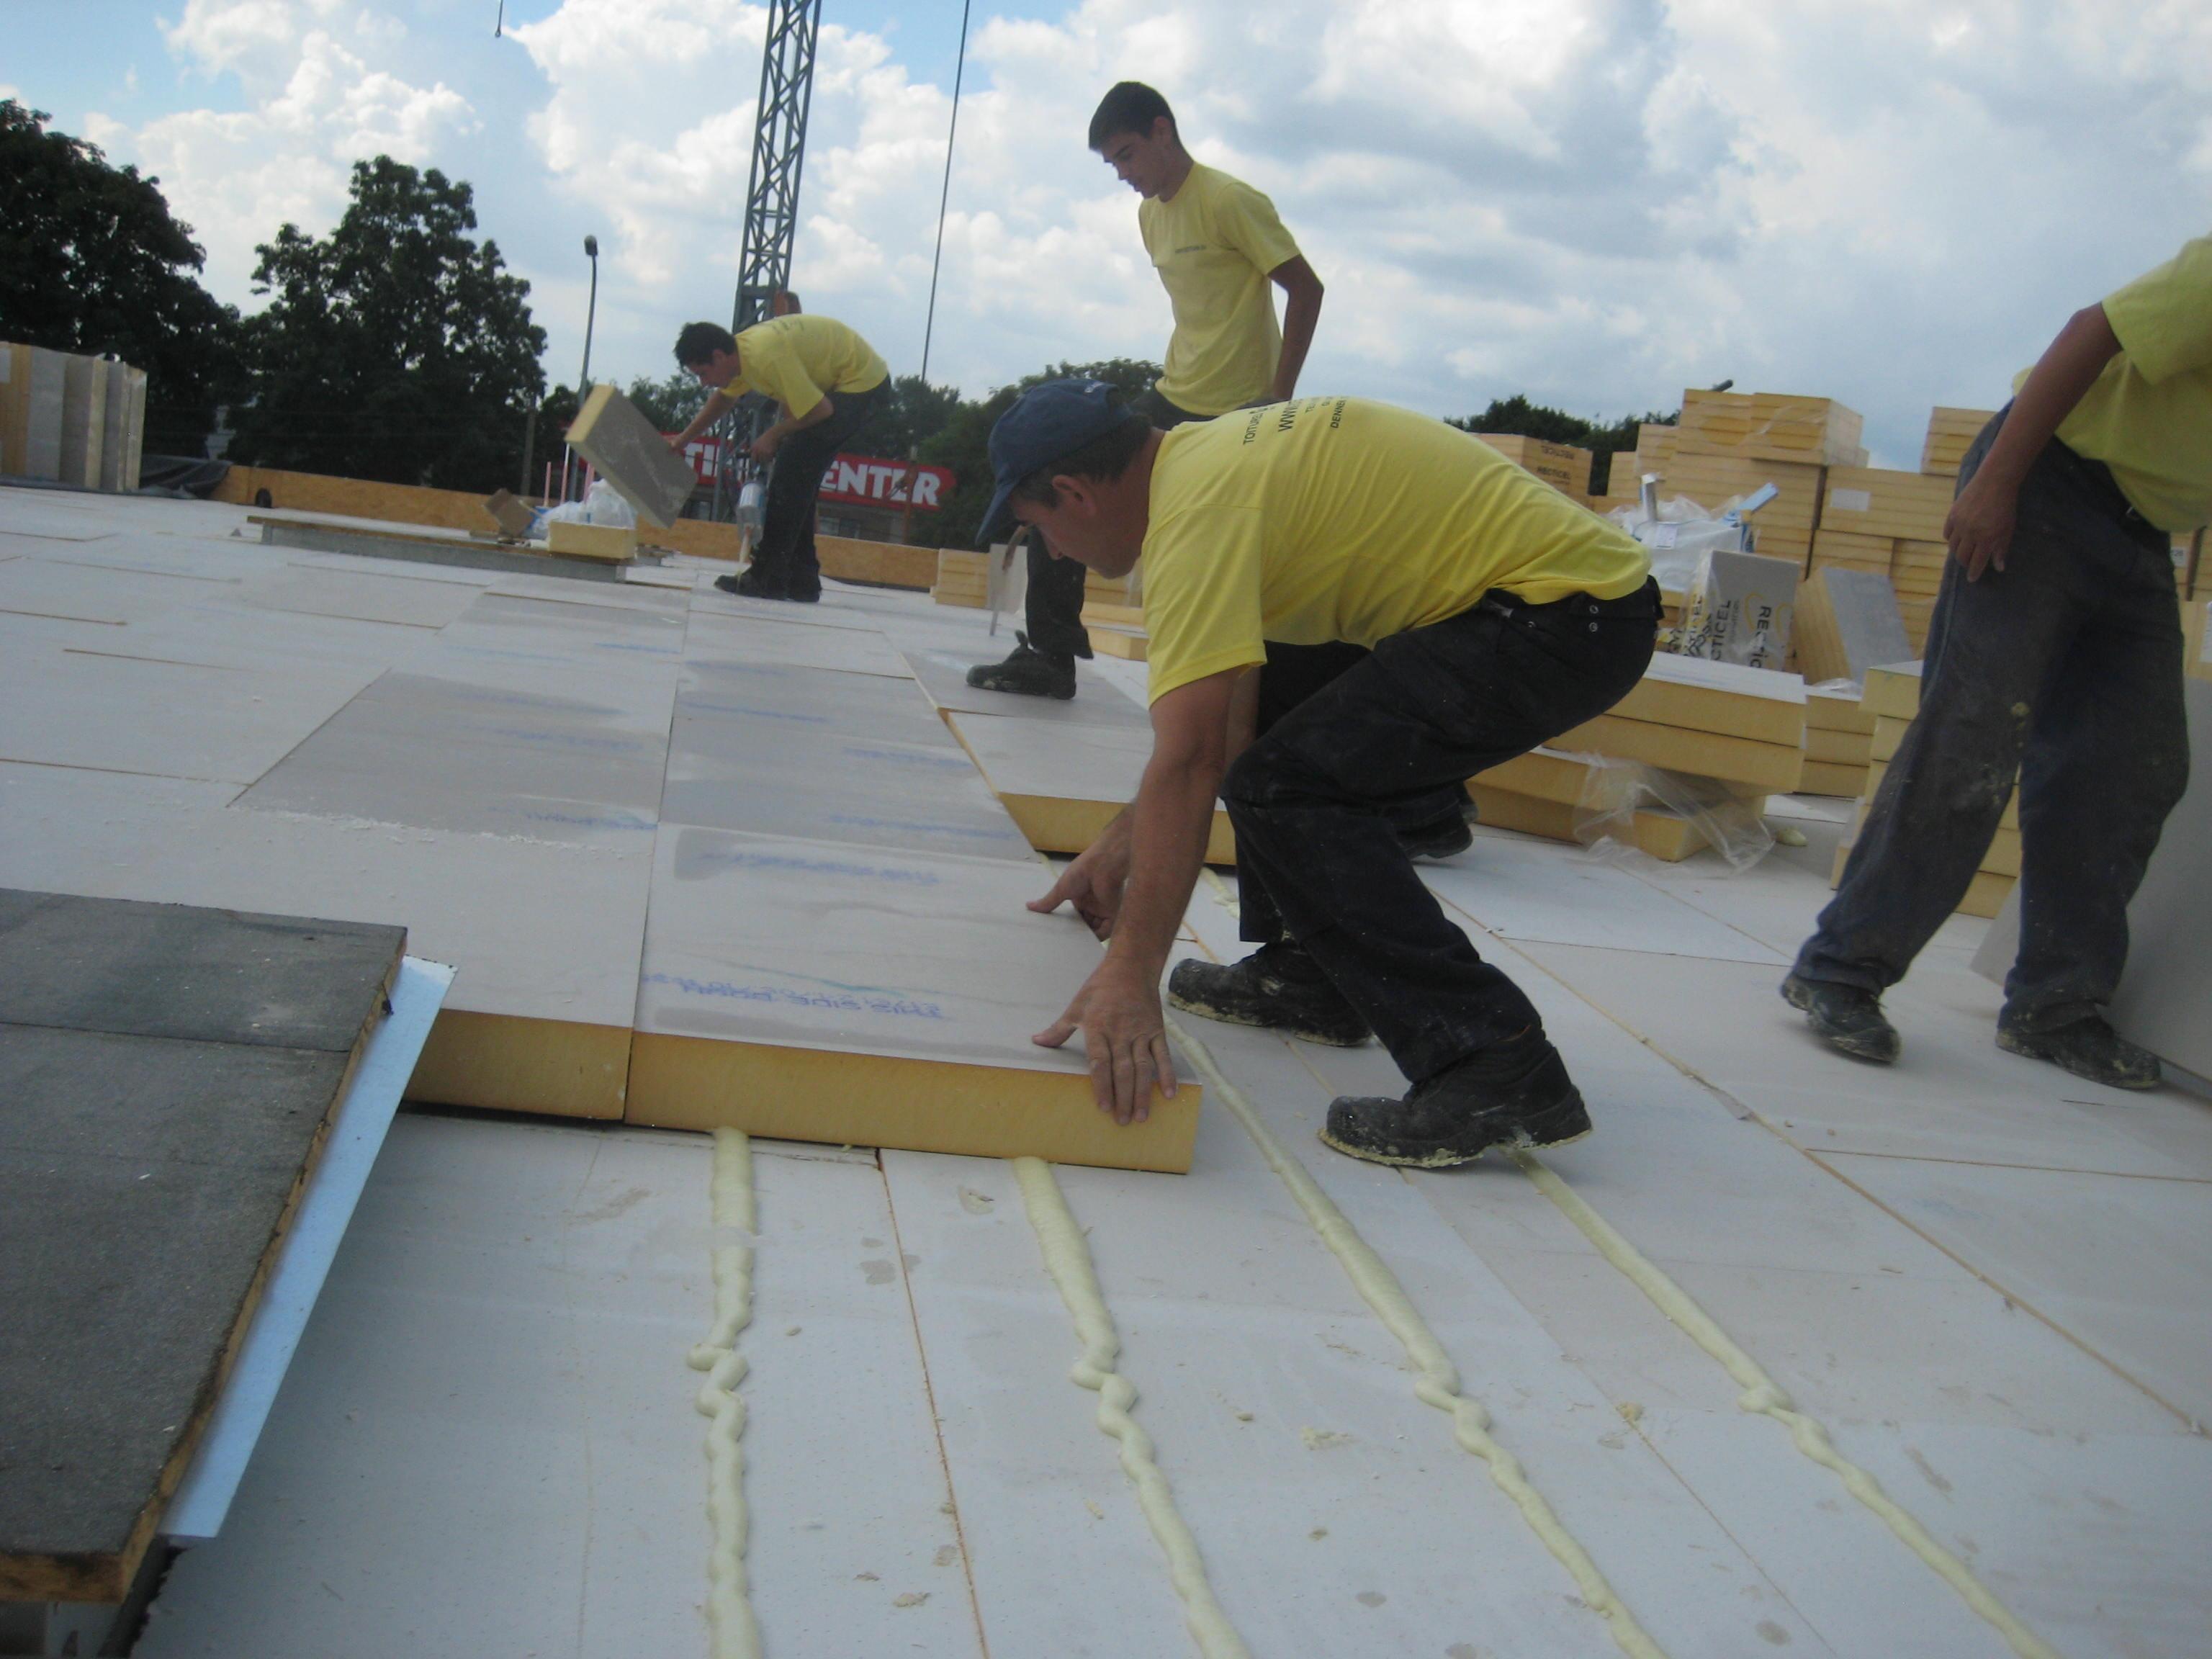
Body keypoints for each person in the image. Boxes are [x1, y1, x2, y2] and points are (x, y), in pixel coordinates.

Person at [979, 379, 1657, 1164]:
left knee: (1289, 787)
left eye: (1040, 530)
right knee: (1279, 728)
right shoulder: (1204, 464)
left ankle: (1492, 1060)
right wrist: (1120, 843)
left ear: (1073, 493)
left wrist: (1129, 974)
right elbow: (1228, 723)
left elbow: (1193, 760)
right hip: (1555, 602)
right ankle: (1313, 975)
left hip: (1558, 619)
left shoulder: (1197, 522)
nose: (1056, 552)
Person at [1784, 233, 2210, 1088]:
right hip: (2050, 482)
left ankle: (2056, 1008)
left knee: (2134, 767)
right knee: (1974, 736)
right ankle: (1841, 969)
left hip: (2141, 538)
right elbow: (2092, 331)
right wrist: (1996, 482)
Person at [968, 81, 1324, 699]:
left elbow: (1306, 289)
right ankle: (1051, 656)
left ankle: (1251, 694)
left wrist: (1279, 397)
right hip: (1174, 391)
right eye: (1113, 163)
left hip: (1239, 410)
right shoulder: (1149, 215)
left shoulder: (1229, 200)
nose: (1123, 174)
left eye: (1127, 155)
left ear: (1163, 131)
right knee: (1057, 485)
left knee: (1225, 549)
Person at [670, 303, 889, 602]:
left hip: (862, 385)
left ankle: (768, 578)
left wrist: (773, 434)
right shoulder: (742, 356)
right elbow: (722, 400)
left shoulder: (764, 356)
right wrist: (682, 441)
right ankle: (801, 579)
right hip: (845, 381)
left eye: (703, 373)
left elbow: (822, 411)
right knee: (798, 477)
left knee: (791, 474)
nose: (704, 383)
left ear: (719, 356)